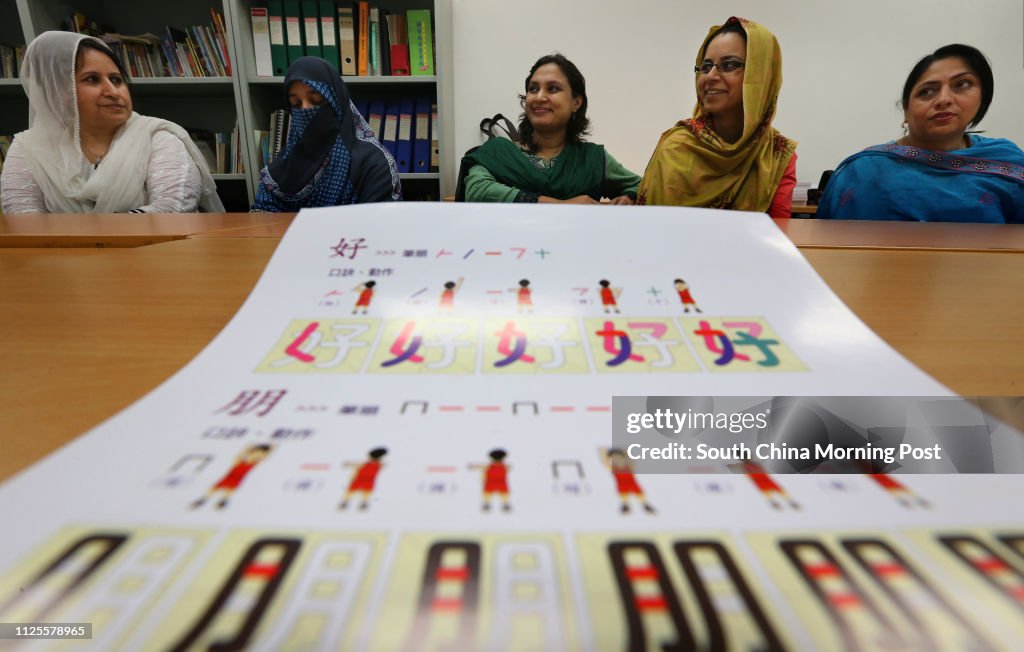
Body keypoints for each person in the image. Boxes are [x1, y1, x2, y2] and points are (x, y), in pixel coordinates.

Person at [0, 31, 223, 214]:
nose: (112, 91)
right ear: (58, 91)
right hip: (59, 263)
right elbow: (24, 223)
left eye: (116, 80)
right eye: (92, 79)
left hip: (152, 258)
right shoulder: (27, 148)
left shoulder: (158, 137)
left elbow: (171, 210)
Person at [817, 44, 1024, 223]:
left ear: (982, 98)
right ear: (906, 110)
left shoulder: (1007, 163)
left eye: (962, 85)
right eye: (927, 91)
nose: (944, 99)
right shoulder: (862, 172)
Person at [637, 18, 797, 218]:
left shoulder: (774, 155)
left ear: (761, 75)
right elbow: (652, 229)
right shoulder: (677, 147)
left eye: (729, 65)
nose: (710, 76)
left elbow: (778, 234)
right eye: (705, 67)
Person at [461, 53, 640, 204]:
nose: (539, 97)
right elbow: (477, 190)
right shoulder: (498, 152)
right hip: (515, 245)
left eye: (552, 89)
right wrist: (562, 205)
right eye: (533, 89)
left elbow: (642, 186)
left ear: (576, 102)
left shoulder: (592, 159)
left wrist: (628, 197)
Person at [252, 57, 401, 211]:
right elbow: (262, 212)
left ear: (337, 101)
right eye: (296, 103)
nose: (306, 110)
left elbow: (380, 226)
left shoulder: (373, 163)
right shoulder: (288, 160)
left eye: (316, 101)